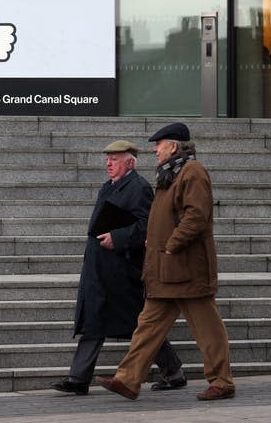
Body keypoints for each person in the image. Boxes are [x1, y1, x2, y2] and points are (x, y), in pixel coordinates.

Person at [96, 123, 235, 401]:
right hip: (165, 270)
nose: (154, 150)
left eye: (158, 145)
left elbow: (196, 216)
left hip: (187, 269)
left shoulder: (192, 172)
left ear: (173, 146)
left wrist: (170, 244)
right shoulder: (171, 173)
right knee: (147, 326)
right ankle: (127, 379)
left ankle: (222, 382)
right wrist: (155, 241)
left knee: (208, 328)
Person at [50, 140, 186, 396]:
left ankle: (174, 371)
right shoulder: (109, 186)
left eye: (114, 160)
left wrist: (118, 238)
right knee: (94, 321)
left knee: (139, 324)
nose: (109, 164)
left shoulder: (139, 187)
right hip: (100, 269)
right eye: (107, 160)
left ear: (130, 162)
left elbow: (149, 226)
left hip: (121, 270)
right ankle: (78, 378)